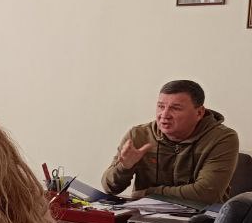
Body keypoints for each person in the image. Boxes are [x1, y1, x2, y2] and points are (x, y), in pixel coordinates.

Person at [101, 79, 240, 204]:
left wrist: (148, 193)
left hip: (201, 219)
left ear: (199, 113)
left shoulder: (222, 138)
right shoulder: (139, 135)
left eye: (175, 108)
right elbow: (110, 188)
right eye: (161, 106)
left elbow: (206, 194)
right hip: (143, 218)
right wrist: (124, 167)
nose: (164, 115)